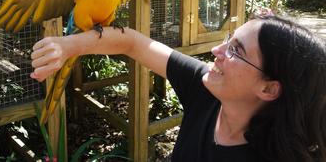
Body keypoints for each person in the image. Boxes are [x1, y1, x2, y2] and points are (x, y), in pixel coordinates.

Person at [30, 14, 326, 162]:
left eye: (236, 51)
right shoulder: (207, 92)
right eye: (228, 38)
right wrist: (67, 45)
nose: (216, 50)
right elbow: (133, 42)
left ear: (269, 89)